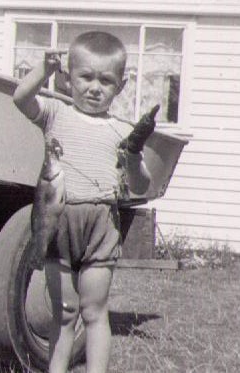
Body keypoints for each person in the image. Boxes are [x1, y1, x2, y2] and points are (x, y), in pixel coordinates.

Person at [13, 31, 158, 373]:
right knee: (64, 313)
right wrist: (42, 71)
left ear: (120, 87)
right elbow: (20, 99)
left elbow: (141, 186)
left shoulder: (121, 130)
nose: (95, 87)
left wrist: (135, 157)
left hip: (100, 226)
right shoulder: (54, 113)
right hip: (58, 221)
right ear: (68, 77)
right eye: (86, 77)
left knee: (94, 311)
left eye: (106, 81)